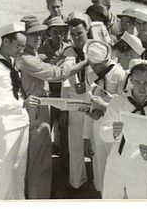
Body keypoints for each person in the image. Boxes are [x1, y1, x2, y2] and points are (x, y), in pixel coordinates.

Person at [16, 16, 89, 199]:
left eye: (40, 34)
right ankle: (39, 198)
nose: (38, 38)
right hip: (37, 108)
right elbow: (58, 74)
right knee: (40, 160)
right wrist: (87, 61)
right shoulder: (26, 58)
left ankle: (37, 194)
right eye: (33, 35)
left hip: (42, 105)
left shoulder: (32, 55)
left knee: (39, 157)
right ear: (24, 37)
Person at [0, 22, 38, 199]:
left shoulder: (11, 63)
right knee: (5, 174)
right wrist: (21, 105)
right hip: (6, 127)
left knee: (18, 173)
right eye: (18, 46)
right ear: (6, 41)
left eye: (23, 46)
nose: (21, 50)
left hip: (21, 122)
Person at [100, 59, 147, 199]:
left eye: (146, 83)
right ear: (131, 80)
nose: (142, 88)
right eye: (138, 82)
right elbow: (103, 133)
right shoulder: (117, 103)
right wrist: (113, 132)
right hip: (116, 164)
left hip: (141, 167)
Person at [82, 40, 127, 193]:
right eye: (91, 64)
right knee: (99, 166)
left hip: (116, 128)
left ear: (106, 59)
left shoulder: (120, 74)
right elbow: (88, 104)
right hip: (97, 127)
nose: (94, 68)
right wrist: (86, 137)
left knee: (115, 167)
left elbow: (124, 105)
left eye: (97, 65)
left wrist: (105, 104)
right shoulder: (90, 74)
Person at [62, 11, 92, 190]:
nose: (76, 37)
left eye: (79, 33)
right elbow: (65, 81)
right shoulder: (68, 52)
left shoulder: (96, 49)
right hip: (74, 104)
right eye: (72, 34)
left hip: (92, 102)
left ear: (87, 30)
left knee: (96, 144)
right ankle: (77, 183)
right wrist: (65, 109)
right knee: (75, 146)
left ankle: (99, 183)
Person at [38, 16, 72, 158]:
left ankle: (65, 165)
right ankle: (45, 163)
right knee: (46, 128)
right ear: (49, 33)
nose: (58, 35)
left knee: (65, 129)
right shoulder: (42, 50)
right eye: (55, 32)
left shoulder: (69, 48)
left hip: (65, 93)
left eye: (61, 32)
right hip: (50, 94)